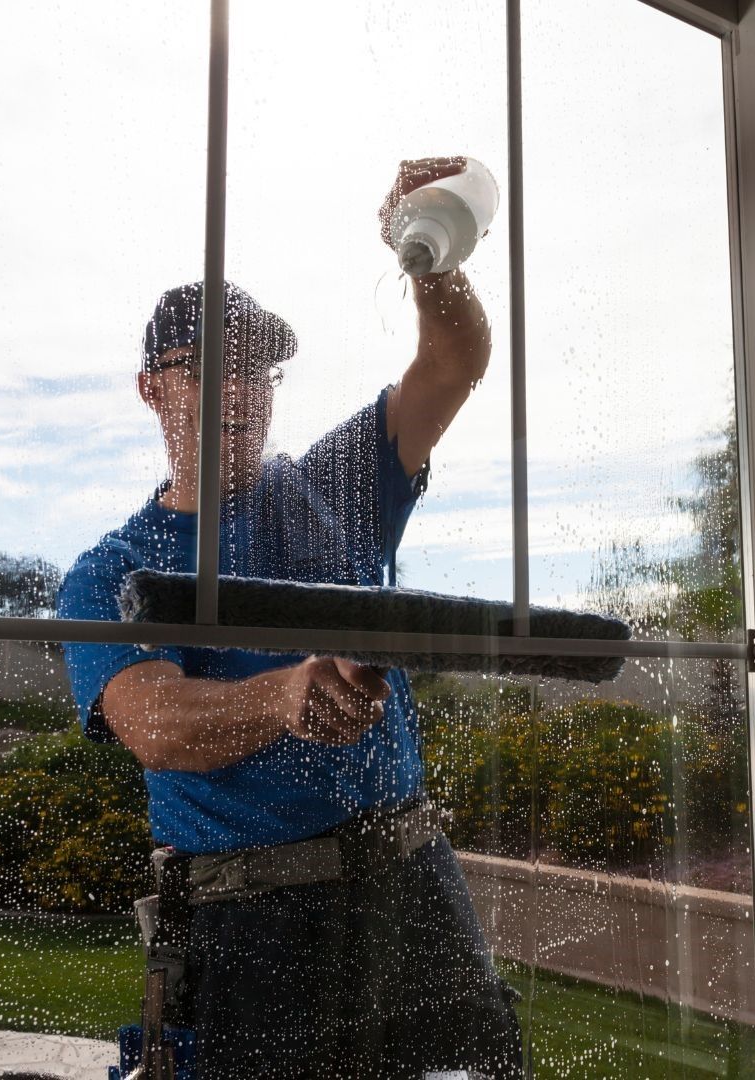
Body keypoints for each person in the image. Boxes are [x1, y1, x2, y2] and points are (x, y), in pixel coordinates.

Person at [57, 158, 523, 1079]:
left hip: (413, 886)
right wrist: (280, 698)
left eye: (259, 369)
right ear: (152, 387)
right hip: (251, 927)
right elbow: (154, 727)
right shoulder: (111, 572)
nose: (241, 391)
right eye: (207, 369)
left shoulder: (335, 488)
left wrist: (425, 249)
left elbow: (453, 360)